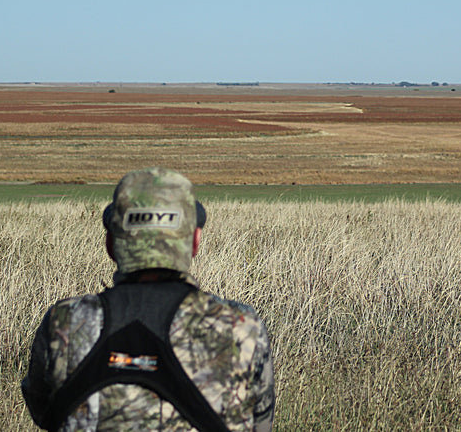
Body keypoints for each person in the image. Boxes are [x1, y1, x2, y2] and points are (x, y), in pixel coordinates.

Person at [22, 167, 275, 432]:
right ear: (195, 243)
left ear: (110, 244)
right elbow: (261, 424)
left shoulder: (64, 321)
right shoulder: (241, 326)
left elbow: (43, 411)